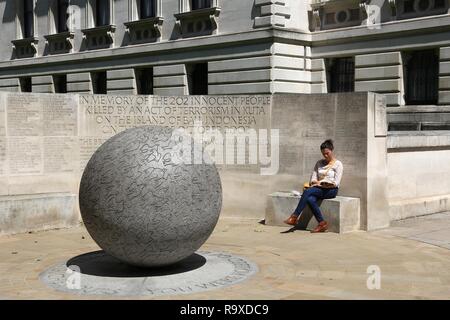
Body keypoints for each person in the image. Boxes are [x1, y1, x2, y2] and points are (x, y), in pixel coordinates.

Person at [284, 139, 344, 233]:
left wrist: (325, 184)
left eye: (327, 153)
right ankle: (322, 223)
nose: (325, 155)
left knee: (307, 192)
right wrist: (315, 182)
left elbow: (336, 182)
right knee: (310, 199)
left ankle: (294, 216)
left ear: (332, 151)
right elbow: (313, 177)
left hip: (331, 190)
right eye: (323, 153)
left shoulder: (338, 164)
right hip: (318, 188)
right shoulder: (319, 163)